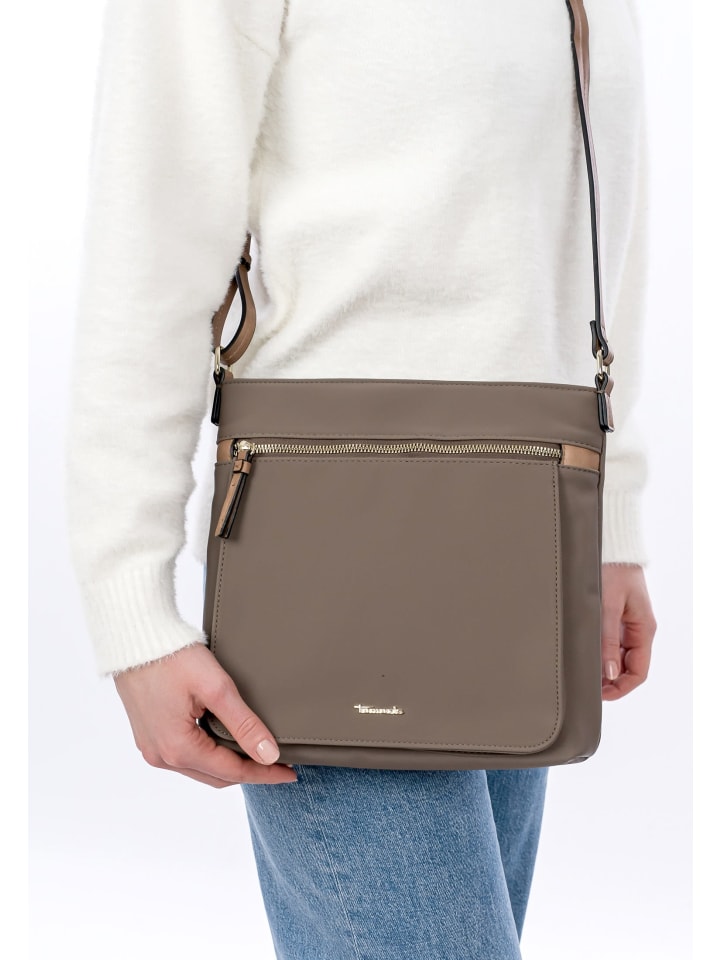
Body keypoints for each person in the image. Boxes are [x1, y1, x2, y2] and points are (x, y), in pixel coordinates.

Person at [65, 2, 657, 957]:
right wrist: (130, 610)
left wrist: (609, 524)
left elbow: (598, 231)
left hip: (528, 538)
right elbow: (151, 245)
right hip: (328, 562)